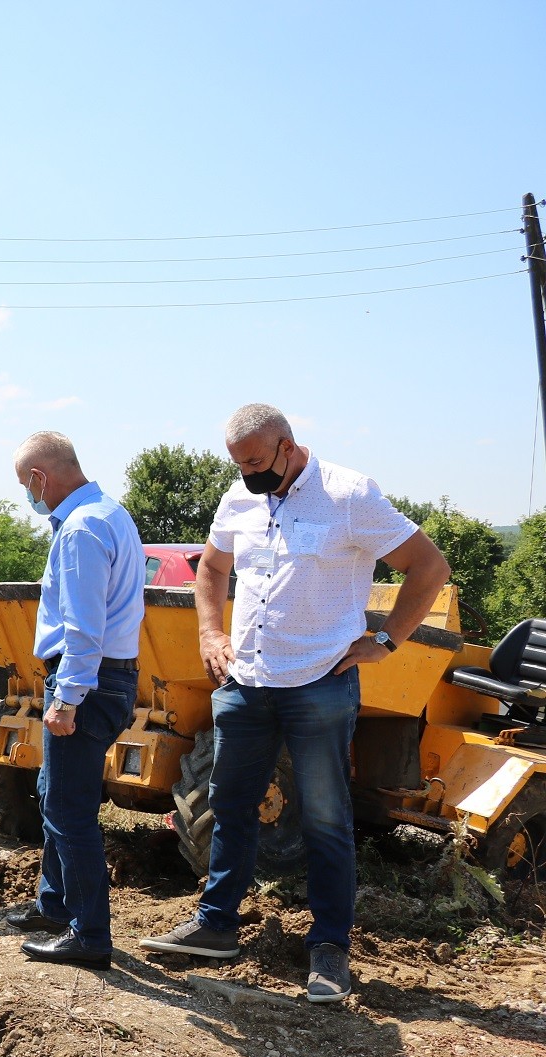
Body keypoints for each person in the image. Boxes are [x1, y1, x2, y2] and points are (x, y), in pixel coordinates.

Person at [140, 403, 450, 1003]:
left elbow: (428, 566)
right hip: (247, 680)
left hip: (319, 682)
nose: (247, 473)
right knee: (230, 806)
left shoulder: (349, 494)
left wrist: (385, 640)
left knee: (327, 818)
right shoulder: (240, 498)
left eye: (256, 461)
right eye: (238, 464)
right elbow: (210, 568)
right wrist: (210, 633)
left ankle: (330, 949)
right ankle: (217, 924)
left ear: (287, 445)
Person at [2, 432, 145, 970]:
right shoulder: (111, 514)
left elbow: (84, 628)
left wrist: (66, 697)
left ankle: (89, 934)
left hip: (86, 680)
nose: (28, 496)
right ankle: (55, 905)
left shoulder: (82, 530)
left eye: (25, 485)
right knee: (52, 791)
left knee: (68, 808)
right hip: (105, 678)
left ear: (41, 477)